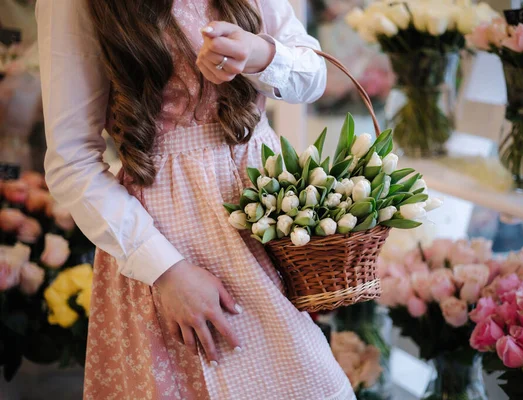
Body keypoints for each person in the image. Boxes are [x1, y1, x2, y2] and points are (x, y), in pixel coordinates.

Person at [36, 1, 355, 399]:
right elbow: (71, 161)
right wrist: (166, 270)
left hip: (265, 214)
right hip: (170, 243)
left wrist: (259, 54)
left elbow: (315, 76)